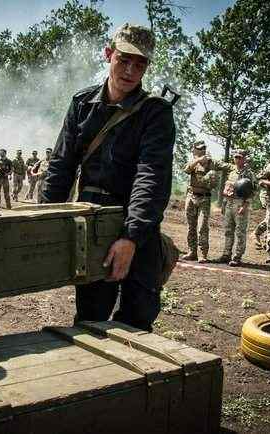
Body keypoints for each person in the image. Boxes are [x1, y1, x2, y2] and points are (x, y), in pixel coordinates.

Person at [40, 23, 175, 332]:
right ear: (108, 54)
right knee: (91, 316)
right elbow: (60, 167)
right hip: (92, 221)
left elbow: (151, 175)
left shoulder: (156, 112)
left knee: (139, 317)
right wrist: (45, 220)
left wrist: (130, 237)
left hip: (136, 223)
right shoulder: (82, 104)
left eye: (140, 64)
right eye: (123, 60)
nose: (130, 70)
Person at [182, 141, 230, 263]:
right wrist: (198, 160)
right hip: (191, 197)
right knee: (191, 226)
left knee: (202, 226)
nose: (201, 150)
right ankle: (192, 252)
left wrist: (238, 167)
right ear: (195, 150)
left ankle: (203, 254)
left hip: (205, 198)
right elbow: (186, 170)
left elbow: (226, 166)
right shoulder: (193, 162)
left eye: (203, 148)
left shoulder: (212, 162)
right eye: (199, 149)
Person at [217, 150, 257, 266]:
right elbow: (227, 186)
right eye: (236, 157)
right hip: (229, 203)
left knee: (240, 232)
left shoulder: (249, 173)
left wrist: (245, 205)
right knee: (228, 231)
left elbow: (254, 191)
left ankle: (237, 257)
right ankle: (226, 254)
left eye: (240, 157)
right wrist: (224, 201)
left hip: (240, 204)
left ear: (244, 159)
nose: (237, 159)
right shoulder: (231, 172)